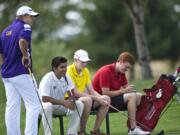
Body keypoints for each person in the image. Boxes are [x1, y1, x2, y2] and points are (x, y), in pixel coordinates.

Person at [0, 6, 40, 135]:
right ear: (23, 16)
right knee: (34, 105)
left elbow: (0, 54)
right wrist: (25, 55)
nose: (32, 19)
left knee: (12, 106)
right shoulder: (25, 27)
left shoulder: (4, 31)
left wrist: (4, 66)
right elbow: (23, 41)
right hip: (21, 72)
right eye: (31, 16)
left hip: (6, 74)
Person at [92, 52, 150, 135]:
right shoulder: (106, 71)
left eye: (128, 68)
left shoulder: (121, 72)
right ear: (121, 61)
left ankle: (138, 126)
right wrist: (123, 91)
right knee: (131, 97)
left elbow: (128, 89)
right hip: (101, 101)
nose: (127, 70)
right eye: (126, 67)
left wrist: (140, 94)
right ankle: (133, 129)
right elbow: (106, 93)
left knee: (138, 96)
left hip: (112, 99)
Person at [67, 49, 110, 135]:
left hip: (82, 99)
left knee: (106, 98)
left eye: (86, 62)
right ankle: (81, 131)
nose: (85, 64)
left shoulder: (85, 71)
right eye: (83, 62)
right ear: (76, 60)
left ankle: (95, 130)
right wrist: (96, 98)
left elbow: (91, 90)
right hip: (69, 100)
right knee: (88, 100)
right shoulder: (69, 70)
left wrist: (101, 98)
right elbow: (74, 92)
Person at [39, 56, 84, 135]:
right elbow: (44, 99)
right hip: (43, 107)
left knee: (79, 104)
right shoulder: (47, 78)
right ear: (54, 68)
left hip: (59, 106)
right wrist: (63, 102)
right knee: (47, 106)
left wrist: (72, 101)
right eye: (62, 67)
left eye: (65, 66)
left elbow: (72, 94)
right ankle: (48, 134)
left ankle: (71, 133)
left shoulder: (66, 77)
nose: (65, 69)